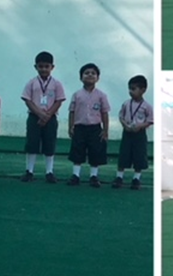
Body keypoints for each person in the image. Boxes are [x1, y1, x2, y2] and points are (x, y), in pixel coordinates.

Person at [21, 51, 65, 183]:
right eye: (41, 66)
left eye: (47, 66)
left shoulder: (56, 84)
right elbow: (27, 100)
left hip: (50, 118)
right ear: (36, 67)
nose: (44, 69)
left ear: (52, 67)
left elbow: (59, 100)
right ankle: (29, 171)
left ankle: (49, 172)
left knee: (49, 144)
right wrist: (40, 114)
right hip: (34, 117)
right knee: (32, 144)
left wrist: (47, 115)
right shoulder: (31, 83)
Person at [67, 63, 110, 187]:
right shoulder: (77, 95)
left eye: (93, 73)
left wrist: (105, 130)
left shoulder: (101, 95)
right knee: (77, 151)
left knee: (95, 152)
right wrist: (71, 126)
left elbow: (105, 113)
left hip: (95, 128)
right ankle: (75, 175)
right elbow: (72, 111)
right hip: (79, 127)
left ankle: (93, 176)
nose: (90, 75)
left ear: (98, 78)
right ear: (81, 77)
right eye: (86, 73)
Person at [112, 75, 153, 190]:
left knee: (139, 155)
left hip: (139, 134)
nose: (131, 91)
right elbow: (121, 116)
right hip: (127, 132)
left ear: (143, 90)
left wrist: (140, 126)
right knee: (124, 154)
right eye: (129, 89)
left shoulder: (147, 106)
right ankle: (119, 177)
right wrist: (125, 125)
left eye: (134, 89)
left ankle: (136, 178)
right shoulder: (126, 104)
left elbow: (150, 120)